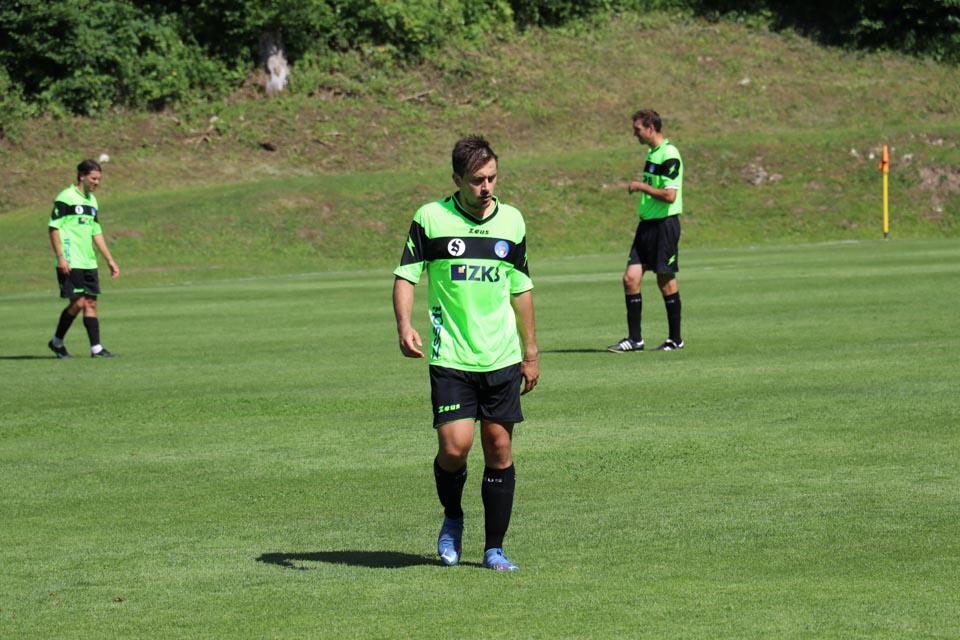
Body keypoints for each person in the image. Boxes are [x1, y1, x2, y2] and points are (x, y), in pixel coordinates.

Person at [393, 136, 539, 571]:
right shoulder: (430, 219)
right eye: (477, 180)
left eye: (492, 177)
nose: (486, 187)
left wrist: (531, 352)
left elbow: (521, 289)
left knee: (499, 448)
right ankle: (453, 517)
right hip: (451, 356)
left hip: (501, 356)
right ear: (457, 178)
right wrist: (404, 324)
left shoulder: (512, 221)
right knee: (455, 448)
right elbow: (406, 276)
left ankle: (494, 549)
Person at [608, 109, 685, 353]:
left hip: (664, 225)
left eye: (637, 129)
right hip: (647, 226)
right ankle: (635, 340)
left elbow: (670, 195)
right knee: (630, 279)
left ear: (651, 128)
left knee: (665, 280)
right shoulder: (652, 153)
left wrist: (641, 187)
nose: (635, 134)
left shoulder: (669, 154)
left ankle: (675, 339)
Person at [47, 159, 120, 359]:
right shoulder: (66, 197)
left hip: (88, 261)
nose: (97, 182)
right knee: (78, 302)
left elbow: (96, 232)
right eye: (93, 178)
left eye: (99, 179)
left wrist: (109, 260)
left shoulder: (92, 201)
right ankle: (57, 342)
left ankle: (96, 348)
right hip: (71, 260)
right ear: (82, 176)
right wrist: (61, 257)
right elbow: (53, 228)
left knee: (91, 303)